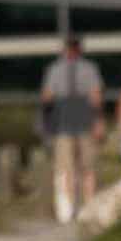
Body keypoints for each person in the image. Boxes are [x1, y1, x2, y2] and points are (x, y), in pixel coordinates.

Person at [41, 37, 104, 223]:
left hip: (65, 122)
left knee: (68, 168)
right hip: (81, 120)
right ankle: (86, 207)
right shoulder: (88, 69)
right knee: (85, 169)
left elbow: (47, 96)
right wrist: (98, 121)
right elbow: (95, 97)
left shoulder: (55, 70)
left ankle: (68, 210)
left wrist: (47, 119)